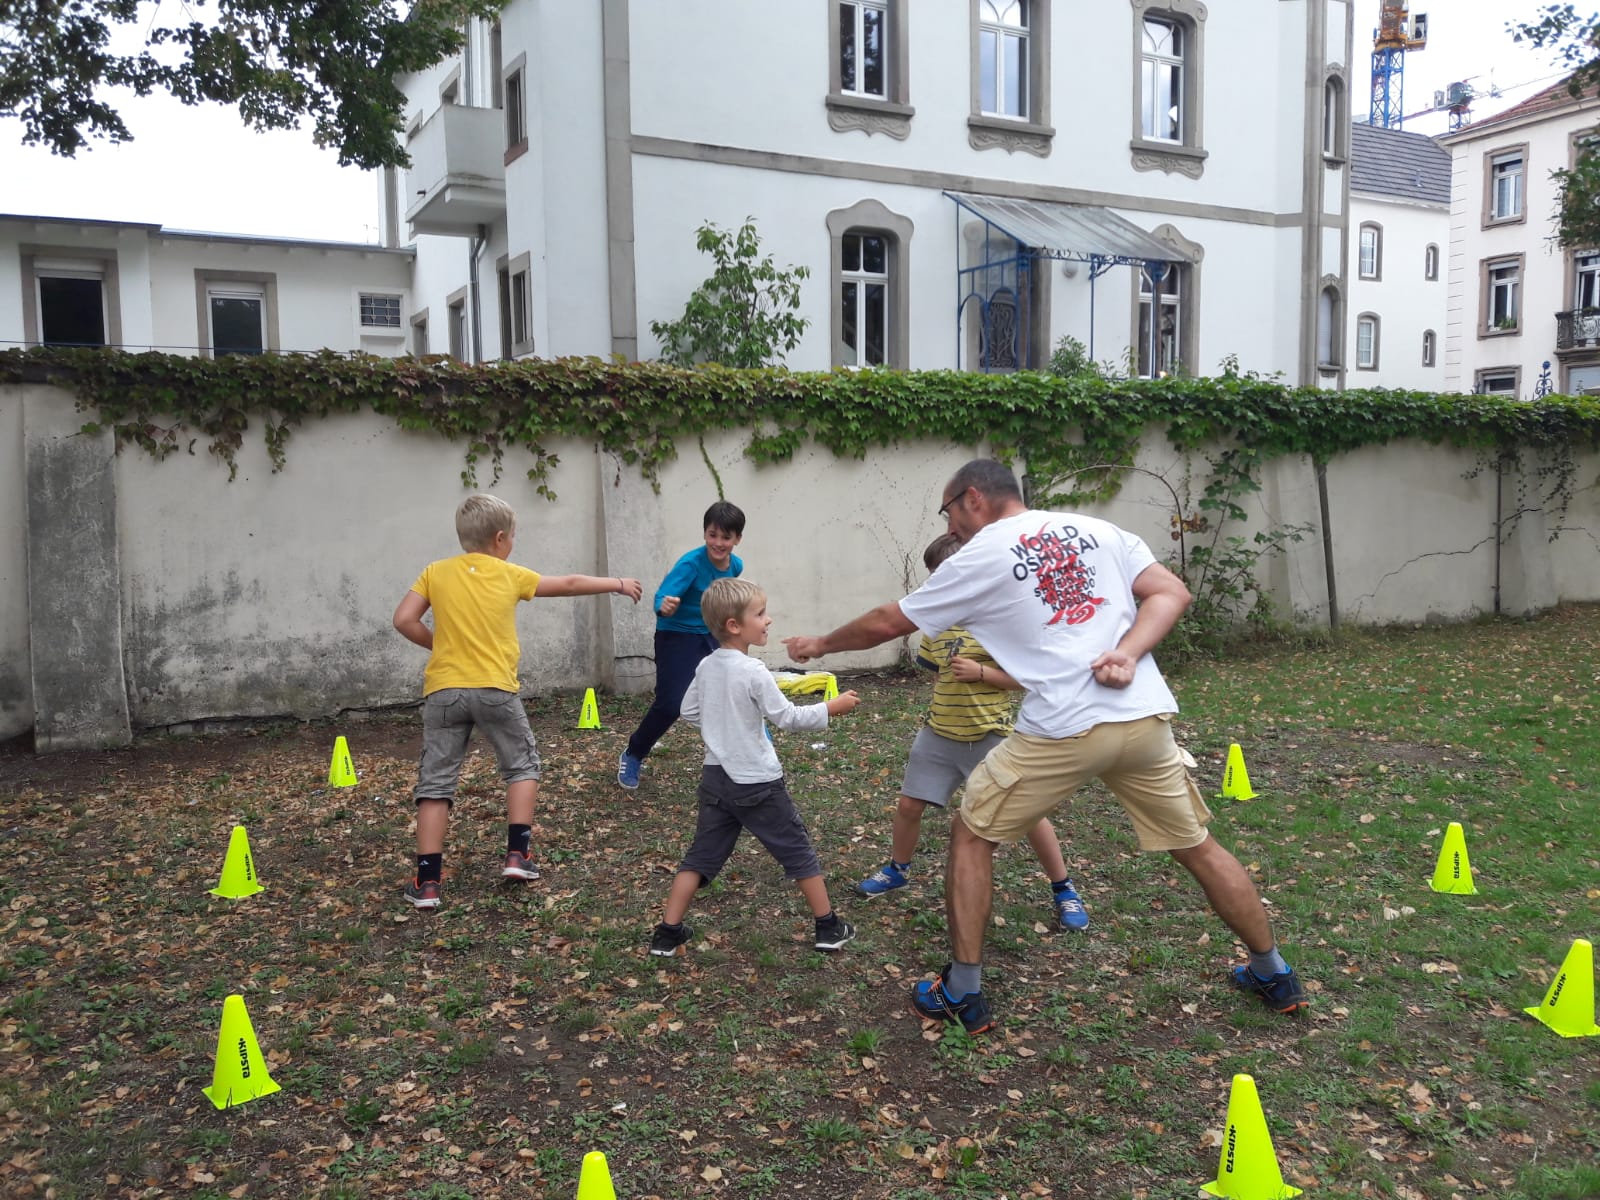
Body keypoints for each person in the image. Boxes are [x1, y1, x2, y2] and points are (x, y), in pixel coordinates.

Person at [784, 459, 1305, 1034]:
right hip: (1143, 718)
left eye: (950, 513)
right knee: (1198, 845)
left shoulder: (982, 549)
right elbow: (1170, 593)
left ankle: (962, 990)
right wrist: (1128, 652)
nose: (951, 528)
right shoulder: (1101, 531)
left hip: (1063, 727)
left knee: (972, 833)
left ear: (973, 498)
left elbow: (890, 621)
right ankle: (1273, 971)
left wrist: (821, 643)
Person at [393, 493, 643, 909]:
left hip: (443, 691)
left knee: (435, 784)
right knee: (522, 766)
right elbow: (567, 584)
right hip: (494, 690)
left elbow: (404, 619)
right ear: (500, 538)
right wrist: (617, 583)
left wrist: (440, 645)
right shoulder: (508, 574)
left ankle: (427, 883)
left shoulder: (435, 573)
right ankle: (518, 855)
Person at [858, 533, 1090, 934]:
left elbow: (1030, 679)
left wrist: (983, 672)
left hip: (991, 738)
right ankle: (897, 869)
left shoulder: (1000, 624)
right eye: (931, 577)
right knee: (910, 807)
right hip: (939, 734)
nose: (935, 584)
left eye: (942, 575)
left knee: (1032, 815)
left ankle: (1064, 889)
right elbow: (935, 671)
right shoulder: (936, 626)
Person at [650, 577, 861, 957]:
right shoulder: (753, 670)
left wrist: (721, 727)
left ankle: (668, 933)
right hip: (757, 782)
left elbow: (687, 711)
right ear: (734, 625)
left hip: (716, 779)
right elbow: (788, 718)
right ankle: (829, 926)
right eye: (760, 614)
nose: (768, 620)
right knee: (797, 851)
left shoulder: (706, 666)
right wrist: (832, 707)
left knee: (700, 855)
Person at [618, 501, 746, 790]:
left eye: (726, 537)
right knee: (671, 704)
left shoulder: (735, 566)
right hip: (676, 635)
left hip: (712, 635)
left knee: (732, 689)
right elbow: (662, 596)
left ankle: (739, 752)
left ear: (737, 539)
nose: (718, 543)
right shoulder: (691, 564)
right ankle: (634, 752)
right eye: (713, 535)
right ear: (705, 534)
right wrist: (665, 606)